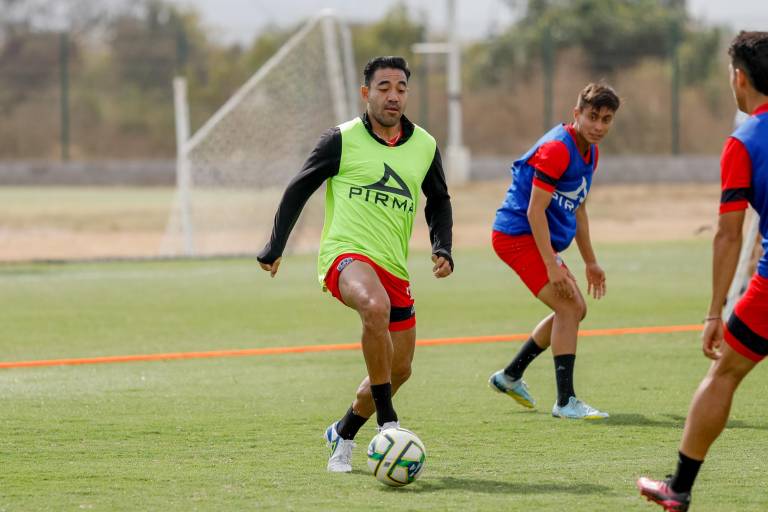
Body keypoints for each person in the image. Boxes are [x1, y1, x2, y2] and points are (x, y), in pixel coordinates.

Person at [256, 56, 453, 473]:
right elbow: (299, 188)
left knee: (400, 368)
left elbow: (438, 199)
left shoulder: (425, 145)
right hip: (345, 257)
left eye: (401, 88)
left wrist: (443, 246)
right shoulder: (340, 140)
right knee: (374, 307)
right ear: (366, 93)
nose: (393, 96)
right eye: (383, 87)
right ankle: (388, 423)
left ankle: (343, 432)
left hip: (393, 267)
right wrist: (275, 245)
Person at [637, 31, 768, 512]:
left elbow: (728, 235)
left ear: (739, 78)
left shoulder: (744, 142)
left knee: (723, 374)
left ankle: (679, 488)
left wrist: (715, 312)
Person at [487, 83, 620, 420]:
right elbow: (535, 211)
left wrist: (591, 262)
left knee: (575, 309)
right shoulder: (558, 149)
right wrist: (551, 265)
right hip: (516, 235)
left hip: (532, 237)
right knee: (569, 307)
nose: (599, 126)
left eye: (606, 119)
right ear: (577, 114)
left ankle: (510, 376)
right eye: (592, 117)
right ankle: (565, 401)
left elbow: (579, 208)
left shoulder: (590, 152)